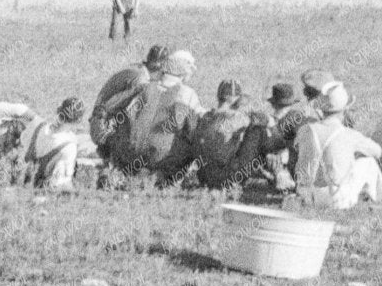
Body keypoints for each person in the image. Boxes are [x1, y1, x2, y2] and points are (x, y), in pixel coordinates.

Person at [293, 84, 382, 208]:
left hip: (307, 196)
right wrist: (353, 153)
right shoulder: (349, 135)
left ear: (321, 110)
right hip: (335, 199)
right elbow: (377, 151)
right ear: (345, 110)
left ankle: (378, 198)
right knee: (369, 162)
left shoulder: (305, 130)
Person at [112, 48, 202, 181]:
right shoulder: (187, 94)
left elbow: (116, 109)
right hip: (162, 157)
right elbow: (195, 128)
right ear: (183, 70)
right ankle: (162, 173)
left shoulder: (145, 87)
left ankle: (135, 172)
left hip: (131, 154)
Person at [192, 79, 271, 191]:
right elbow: (266, 120)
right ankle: (279, 174)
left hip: (204, 177)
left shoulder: (204, 116)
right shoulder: (237, 118)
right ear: (234, 99)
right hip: (226, 178)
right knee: (259, 131)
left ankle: (264, 172)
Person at [90, 44, 166, 156]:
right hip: (103, 129)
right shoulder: (141, 80)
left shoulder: (138, 70)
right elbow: (125, 111)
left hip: (100, 123)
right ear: (160, 66)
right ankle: (112, 154)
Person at [24, 98, 94, 191]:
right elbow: (63, 185)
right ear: (78, 120)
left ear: (58, 110)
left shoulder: (39, 125)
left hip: (25, 181)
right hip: (42, 189)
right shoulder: (69, 146)